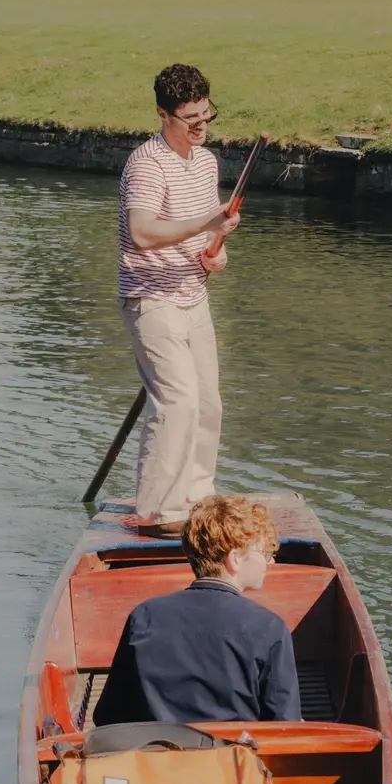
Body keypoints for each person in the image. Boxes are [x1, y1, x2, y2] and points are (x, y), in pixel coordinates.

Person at [119, 64, 240, 539]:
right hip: (150, 299)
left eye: (206, 116)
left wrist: (217, 250)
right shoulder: (146, 164)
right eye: (190, 119)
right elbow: (144, 232)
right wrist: (206, 225)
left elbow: (206, 231)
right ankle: (157, 511)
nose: (201, 127)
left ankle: (196, 499)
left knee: (209, 403)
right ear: (162, 114)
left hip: (193, 295)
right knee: (178, 402)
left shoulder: (205, 161)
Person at [93, 496, 302, 725]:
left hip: (154, 756)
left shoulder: (144, 616)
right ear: (234, 560)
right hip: (231, 758)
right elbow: (284, 726)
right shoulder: (269, 628)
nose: (270, 562)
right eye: (265, 553)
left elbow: (107, 716)